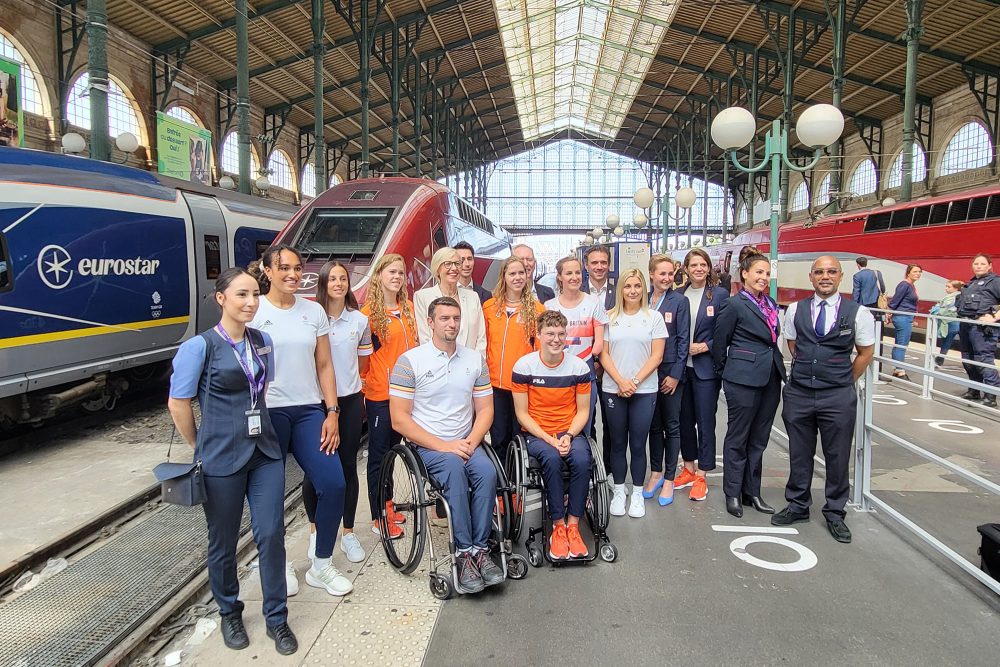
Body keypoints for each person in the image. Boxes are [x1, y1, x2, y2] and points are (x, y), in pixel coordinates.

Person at [167, 268, 297, 655]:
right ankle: (229, 611)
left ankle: (277, 619)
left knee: (271, 533)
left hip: (265, 453)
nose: (251, 302)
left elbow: (262, 389)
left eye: (255, 294)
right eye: (242, 295)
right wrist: (201, 445)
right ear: (221, 298)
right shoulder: (200, 347)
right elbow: (178, 402)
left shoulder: (263, 341)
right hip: (221, 458)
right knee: (223, 541)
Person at [249, 246, 351, 597]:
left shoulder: (314, 311)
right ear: (267, 270)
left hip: (309, 410)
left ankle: (321, 563)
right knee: (270, 496)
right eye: (284, 268)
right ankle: (279, 565)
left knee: (333, 483)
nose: (292, 275)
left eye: (297, 268)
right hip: (268, 413)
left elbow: (325, 365)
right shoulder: (253, 310)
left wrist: (332, 412)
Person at [389, 296, 503, 594]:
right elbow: (399, 420)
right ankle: (464, 553)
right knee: (454, 470)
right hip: (428, 447)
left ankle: (480, 549)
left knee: (487, 473)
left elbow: (486, 410)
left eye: (455, 318)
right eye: (444, 318)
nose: (451, 323)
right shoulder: (410, 362)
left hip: (466, 442)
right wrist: (445, 446)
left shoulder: (475, 359)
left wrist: (470, 442)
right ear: (431, 322)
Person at [772, 256, 876, 544]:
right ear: (811, 277)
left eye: (831, 272)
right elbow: (793, 345)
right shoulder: (795, 310)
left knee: (837, 454)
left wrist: (842, 379)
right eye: (819, 272)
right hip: (801, 393)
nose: (825, 276)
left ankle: (834, 512)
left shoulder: (858, 314)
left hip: (837, 396)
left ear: (841, 276)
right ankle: (797, 505)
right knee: (799, 452)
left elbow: (865, 353)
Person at [511, 310, 593, 559]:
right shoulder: (524, 366)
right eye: (550, 334)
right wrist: (550, 439)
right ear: (538, 335)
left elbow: (583, 411)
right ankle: (558, 526)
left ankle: (573, 525)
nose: (556, 339)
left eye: (560, 334)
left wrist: (568, 435)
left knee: (581, 460)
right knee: (552, 459)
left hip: (568, 431)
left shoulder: (578, 366)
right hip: (538, 434)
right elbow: (522, 414)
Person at [712, 251, 785, 519]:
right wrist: (727, 371)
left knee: (759, 438)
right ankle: (732, 492)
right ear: (744, 274)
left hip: (770, 377)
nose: (763, 278)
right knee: (738, 436)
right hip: (742, 378)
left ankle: (752, 491)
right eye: (758, 272)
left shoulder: (771, 303)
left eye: (767, 273)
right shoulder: (734, 305)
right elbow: (720, 343)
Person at [314, 260, 372, 563]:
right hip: (317, 402)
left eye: (343, 279)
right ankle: (315, 532)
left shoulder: (359, 321)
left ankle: (348, 533)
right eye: (332, 279)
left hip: (349, 401)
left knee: (348, 466)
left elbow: (364, 364)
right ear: (323, 283)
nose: (338, 283)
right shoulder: (312, 318)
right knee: (317, 470)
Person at [600, 269, 666, 519]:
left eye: (637, 286)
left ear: (644, 288)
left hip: (644, 390)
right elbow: (603, 354)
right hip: (613, 388)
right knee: (617, 443)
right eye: (628, 286)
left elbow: (656, 355)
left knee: (638, 444)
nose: (632, 291)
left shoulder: (653, 317)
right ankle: (619, 490)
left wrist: (635, 381)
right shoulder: (609, 317)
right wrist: (620, 381)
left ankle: (637, 492)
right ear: (620, 290)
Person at [361, 253, 419, 539]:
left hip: (409, 394)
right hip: (382, 395)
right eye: (391, 272)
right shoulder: (368, 315)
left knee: (396, 453)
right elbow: (364, 359)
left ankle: (390, 503)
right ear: (379, 276)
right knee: (380, 456)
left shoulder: (407, 309)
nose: (396, 277)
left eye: (400, 273)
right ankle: (379, 514)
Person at [675, 249, 728, 503]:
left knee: (705, 422)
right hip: (681, 370)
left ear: (709, 268)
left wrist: (706, 346)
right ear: (685, 268)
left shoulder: (719, 296)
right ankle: (688, 467)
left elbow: (726, 330)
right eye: (693, 264)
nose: (698, 269)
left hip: (705, 368)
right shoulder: (678, 295)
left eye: (702, 264)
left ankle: (702, 475)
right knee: (684, 421)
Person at [483, 257, 545, 455]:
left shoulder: (536, 309)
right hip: (495, 384)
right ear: (504, 277)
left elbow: (540, 349)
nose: (518, 277)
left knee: (519, 435)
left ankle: (518, 482)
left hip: (522, 385)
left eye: (522, 273)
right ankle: (501, 482)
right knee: (498, 436)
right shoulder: (490, 307)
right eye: (512, 273)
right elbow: (483, 343)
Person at [644, 255, 691, 506]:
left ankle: (670, 478)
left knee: (672, 426)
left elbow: (683, 340)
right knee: (653, 426)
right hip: (647, 373)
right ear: (651, 274)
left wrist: (676, 375)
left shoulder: (679, 301)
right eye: (661, 273)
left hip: (670, 373)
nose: (666, 278)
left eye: (670, 274)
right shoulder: (642, 300)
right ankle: (656, 473)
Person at [544, 255, 607, 435]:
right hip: (556, 373)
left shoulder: (594, 303)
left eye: (577, 272)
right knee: (558, 425)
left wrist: (587, 363)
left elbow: (599, 342)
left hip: (585, 372)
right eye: (569, 273)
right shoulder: (549, 306)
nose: (574, 277)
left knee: (585, 426)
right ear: (559, 277)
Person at [414, 246, 486, 354]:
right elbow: (424, 338)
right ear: (438, 268)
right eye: (448, 264)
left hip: (469, 367)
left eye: (457, 264)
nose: (454, 268)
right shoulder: (422, 297)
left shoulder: (473, 297)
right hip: (437, 367)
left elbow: (481, 338)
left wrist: (476, 364)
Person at [957, 253, 1000, 408]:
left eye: (982, 264)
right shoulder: (972, 283)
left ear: (989, 265)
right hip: (966, 325)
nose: (979, 266)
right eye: (976, 264)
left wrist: (994, 317)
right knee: (968, 359)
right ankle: (974, 390)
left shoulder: (995, 282)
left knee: (983, 359)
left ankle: (990, 395)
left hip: (982, 328)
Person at [888, 264, 922, 381]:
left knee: (899, 343)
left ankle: (897, 369)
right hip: (902, 317)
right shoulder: (904, 285)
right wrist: (889, 312)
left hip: (906, 317)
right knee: (902, 344)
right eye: (915, 271)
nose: (918, 274)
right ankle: (900, 370)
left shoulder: (910, 285)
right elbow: (895, 301)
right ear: (908, 273)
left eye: (919, 272)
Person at [931, 280, 964, 366]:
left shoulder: (953, 298)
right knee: (949, 342)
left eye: (948, 287)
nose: (946, 288)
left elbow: (943, 310)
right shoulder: (956, 296)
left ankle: (940, 359)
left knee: (947, 341)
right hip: (955, 321)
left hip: (951, 322)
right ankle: (940, 359)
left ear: (956, 288)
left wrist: (935, 310)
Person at [582, 245, 616, 310]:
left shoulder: (618, 293)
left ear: (609, 265)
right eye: (594, 263)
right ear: (586, 266)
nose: (599, 267)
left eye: (603, 263)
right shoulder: (577, 292)